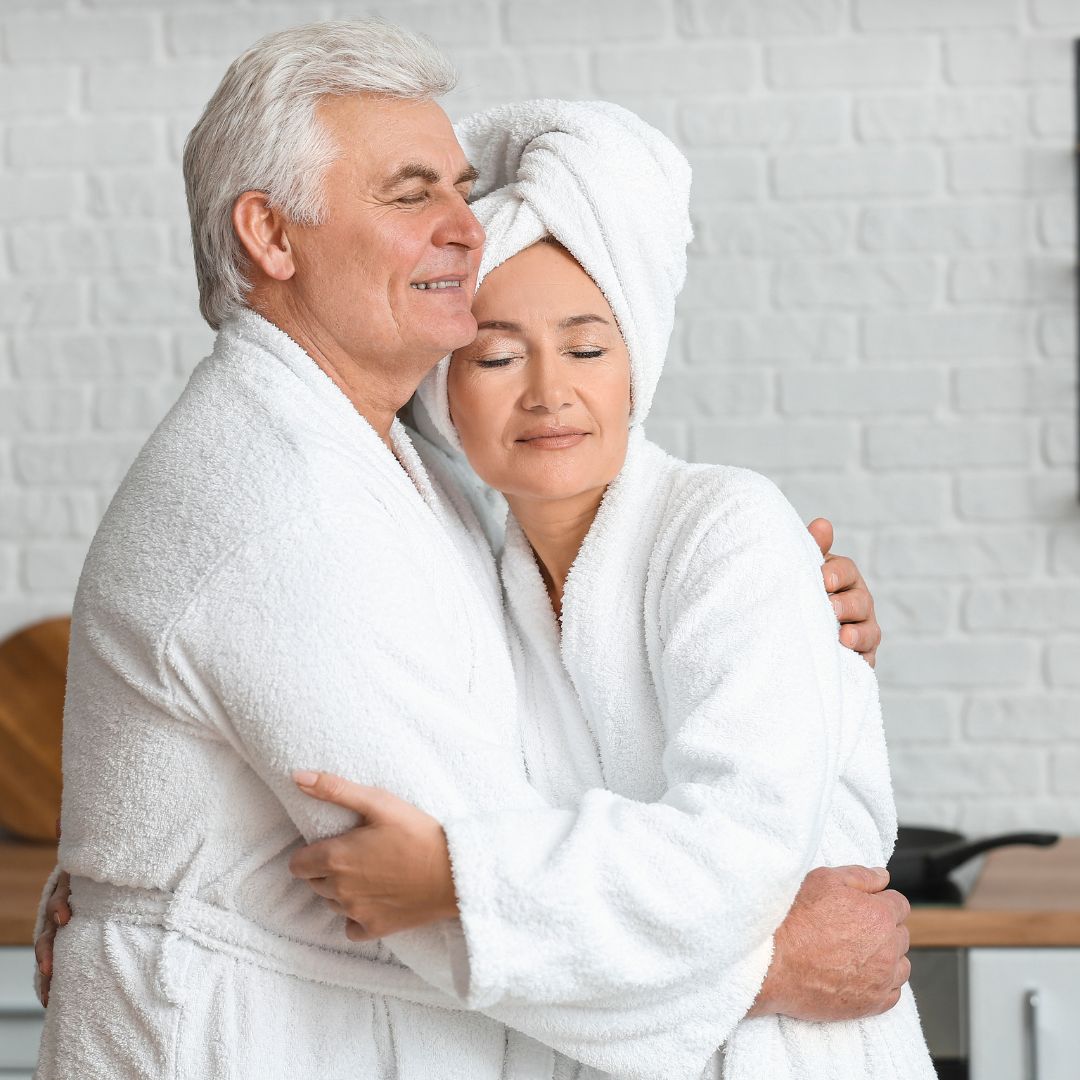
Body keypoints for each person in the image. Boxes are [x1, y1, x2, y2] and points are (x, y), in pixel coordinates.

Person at [33, 21, 898, 1080]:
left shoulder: (406, 471)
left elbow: (485, 817)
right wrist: (767, 968)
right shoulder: (277, 499)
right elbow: (446, 884)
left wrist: (797, 646)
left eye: (459, 187)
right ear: (269, 233)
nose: (464, 227)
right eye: (412, 195)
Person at [283, 100, 934, 1078]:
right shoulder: (463, 582)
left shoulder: (730, 531)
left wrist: (461, 882)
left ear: (635, 368)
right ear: (440, 391)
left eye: (588, 348)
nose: (549, 391)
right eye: (496, 356)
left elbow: (740, 852)